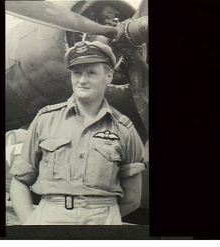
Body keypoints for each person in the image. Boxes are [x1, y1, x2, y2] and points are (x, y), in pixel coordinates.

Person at [9, 40, 146, 225]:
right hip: (49, 218)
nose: (82, 80)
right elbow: (19, 181)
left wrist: (106, 218)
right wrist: (30, 223)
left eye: (91, 73)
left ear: (109, 76)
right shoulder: (45, 120)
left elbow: (133, 198)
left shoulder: (124, 129)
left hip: (102, 222)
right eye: (77, 73)